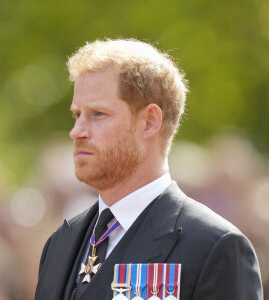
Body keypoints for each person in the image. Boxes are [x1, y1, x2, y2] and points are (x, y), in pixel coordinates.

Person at [35, 39, 263, 300]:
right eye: (77, 115)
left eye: (98, 114)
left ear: (150, 122)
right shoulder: (60, 243)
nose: (77, 132)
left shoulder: (214, 246)